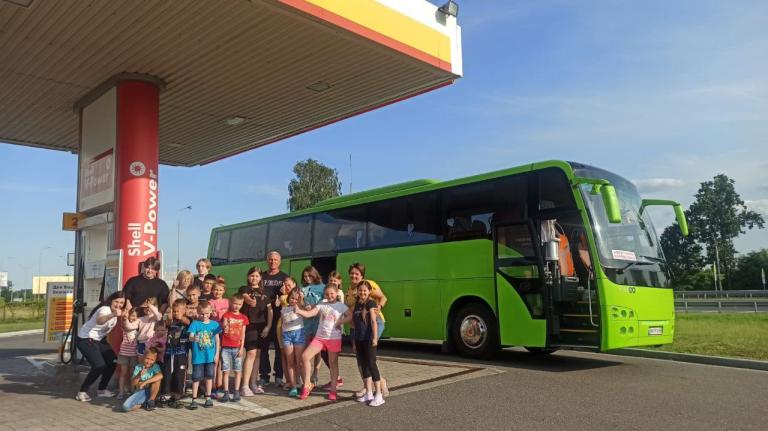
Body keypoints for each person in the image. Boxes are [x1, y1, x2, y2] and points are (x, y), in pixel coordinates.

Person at [295, 284, 351, 401]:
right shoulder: (322, 304)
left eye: (332, 293)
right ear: (324, 294)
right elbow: (311, 314)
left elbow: (350, 316)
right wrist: (299, 311)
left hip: (334, 339)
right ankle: (306, 386)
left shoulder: (341, 306)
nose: (330, 296)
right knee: (305, 357)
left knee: (333, 364)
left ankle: (333, 391)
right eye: (327, 294)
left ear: (336, 294)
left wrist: (340, 322)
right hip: (319, 338)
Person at [346, 263, 389, 397]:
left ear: (362, 275)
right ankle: (367, 387)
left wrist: (379, 307)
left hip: (373, 323)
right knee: (360, 359)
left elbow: (383, 297)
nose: (354, 275)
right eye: (352, 273)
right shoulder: (349, 290)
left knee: (369, 356)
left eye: (357, 274)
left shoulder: (368, 284)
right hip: (357, 326)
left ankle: (381, 384)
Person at [75, 291, 125, 402]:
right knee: (99, 365)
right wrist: (113, 314)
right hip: (85, 339)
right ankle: (82, 392)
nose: (118, 305)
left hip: (99, 340)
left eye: (121, 303)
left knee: (112, 361)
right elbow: (100, 320)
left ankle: (102, 390)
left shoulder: (117, 312)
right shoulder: (105, 310)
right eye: (116, 301)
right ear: (111, 301)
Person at [238, 267, 273, 396]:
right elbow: (245, 297)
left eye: (257, 276)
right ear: (248, 277)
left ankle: (253, 383)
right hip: (249, 326)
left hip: (262, 327)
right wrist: (250, 300)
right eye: (252, 275)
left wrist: (268, 326)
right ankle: (244, 385)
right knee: (251, 353)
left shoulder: (266, 292)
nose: (254, 278)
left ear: (260, 278)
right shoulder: (244, 289)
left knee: (258, 354)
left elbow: (270, 311)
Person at [351, 281, 385, 407]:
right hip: (359, 339)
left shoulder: (370, 303)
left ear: (369, 291)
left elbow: (373, 321)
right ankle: (369, 393)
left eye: (365, 290)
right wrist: (354, 341)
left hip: (369, 339)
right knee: (363, 365)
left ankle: (379, 395)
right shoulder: (357, 304)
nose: (362, 292)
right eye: (360, 290)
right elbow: (354, 324)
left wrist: (375, 338)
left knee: (371, 364)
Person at [259, 251, 288, 387]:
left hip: (279, 318)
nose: (273, 262)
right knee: (263, 349)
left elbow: (291, 294)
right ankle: (264, 376)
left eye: (275, 259)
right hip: (262, 318)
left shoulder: (284, 277)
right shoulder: (261, 277)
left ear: (280, 261)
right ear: (267, 260)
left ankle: (279, 376)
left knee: (278, 348)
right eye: (270, 259)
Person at [187, 301, 221, 409]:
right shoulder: (195, 324)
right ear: (198, 312)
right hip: (198, 357)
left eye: (207, 313)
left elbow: (217, 341)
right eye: (202, 313)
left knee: (209, 377)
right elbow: (190, 336)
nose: (204, 316)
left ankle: (208, 397)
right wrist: (193, 338)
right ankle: (194, 398)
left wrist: (216, 355)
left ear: (211, 312)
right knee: (196, 377)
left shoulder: (214, 324)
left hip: (210, 357)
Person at [218, 294, 249, 402]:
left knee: (237, 371)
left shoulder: (243, 318)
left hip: (237, 348)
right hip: (226, 348)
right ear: (231, 303)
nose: (237, 306)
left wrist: (241, 348)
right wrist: (225, 327)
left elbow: (243, 335)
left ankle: (236, 391)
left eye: (239, 304)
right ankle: (226, 392)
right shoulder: (226, 315)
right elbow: (224, 327)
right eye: (235, 303)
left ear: (242, 305)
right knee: (226, 371)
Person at [160, 299, 190, 408]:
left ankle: (177, 396)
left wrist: (180, 317)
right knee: (168, 374)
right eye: (174, 311)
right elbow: (166, 323)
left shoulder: (187, 320)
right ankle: (166, 394)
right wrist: (169, 315)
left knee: (179, 375)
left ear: (184, 311)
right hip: (169, 353)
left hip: (181, 354)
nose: (175, 313)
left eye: (178, 311)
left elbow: (187, 321)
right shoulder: (170, 321)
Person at [300, 266, 325, 386]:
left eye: (310, 275)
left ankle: (315, 373)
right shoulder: (301, 288)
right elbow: (299, 301)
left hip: (318, 321)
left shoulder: (322, 287)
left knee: (317, 350)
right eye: (305, 276)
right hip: (305, 321)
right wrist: (304, 306)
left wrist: (315, 307)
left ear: (315, 275)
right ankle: (306, 377)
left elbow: (325, 301)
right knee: (304, 349)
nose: (307, 278)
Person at [280, 286, 305, 398]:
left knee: (299, 361)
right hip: (287, 336)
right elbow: (283, 324)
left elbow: (303, 305)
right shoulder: (284, 309)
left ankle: (304, 384)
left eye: (296, 299)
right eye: (291, 298)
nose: (293, 300)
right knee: (290, 361)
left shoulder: (300, 307)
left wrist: (301, 299)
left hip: (298, 334)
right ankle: (293, 386)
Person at [121, 347, 163, 412]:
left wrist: (145, 382)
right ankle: (143, 403)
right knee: (125, 407)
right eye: (147, 358)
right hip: (141, 392)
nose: (149, 361)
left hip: (152, 392)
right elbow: (133, 383)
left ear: (155, 360)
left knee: (157, 380)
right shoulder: (138, 367)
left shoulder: (155, 366)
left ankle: (150, 402)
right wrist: (139, 375)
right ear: (144, 357)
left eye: (152, 360)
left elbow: (160, 376)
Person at [116, 307, 140, 400]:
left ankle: (132, 390)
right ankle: (121, 392)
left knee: (132, 373)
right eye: (132, 315)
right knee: (123, 373)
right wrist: (125, 318)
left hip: (134, 353)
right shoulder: (125, 324)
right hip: (124, 353)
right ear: (129, 315)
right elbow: (126, 325)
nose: (134, 318)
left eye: (136, 316)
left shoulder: (138, 324)